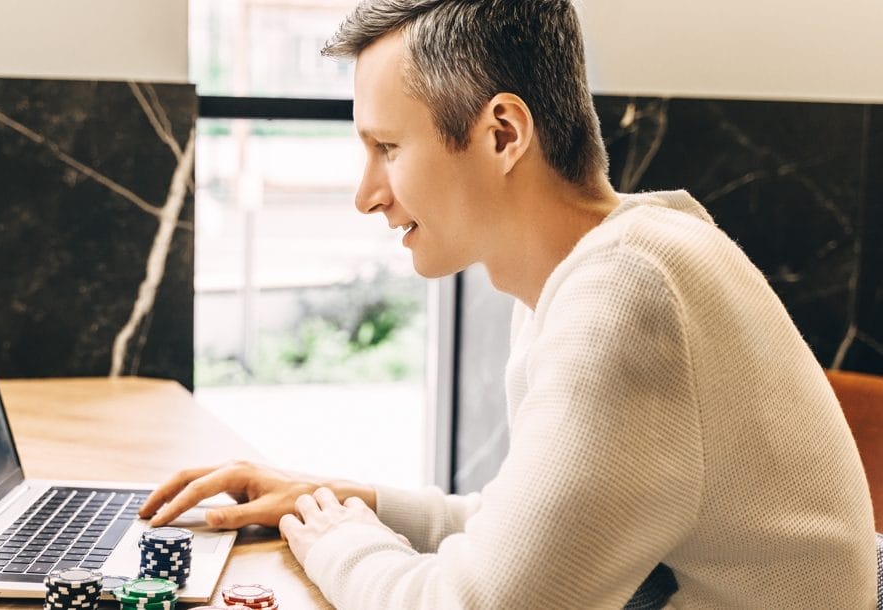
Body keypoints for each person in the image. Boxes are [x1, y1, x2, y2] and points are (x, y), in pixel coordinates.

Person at [140, 1, 878, 607]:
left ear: (502, 134)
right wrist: (338, 498)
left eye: (388, 148)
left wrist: (336, 539)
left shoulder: (625, 297)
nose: (367, 194)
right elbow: (526, 539)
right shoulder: (611, 265)